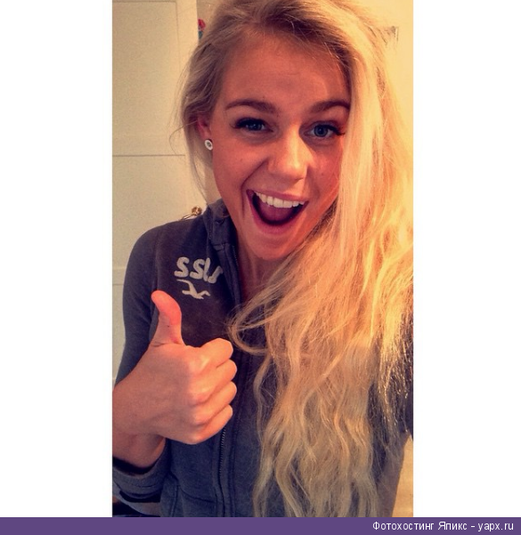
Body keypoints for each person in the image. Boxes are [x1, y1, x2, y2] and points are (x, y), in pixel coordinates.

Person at [113, 0, 412, 517]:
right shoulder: (160, 257)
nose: (290, 166)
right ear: (206, 127)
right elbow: (140, 499)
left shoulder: (400, 291)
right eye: (254, 123)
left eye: (324, 129)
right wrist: (127, 414)